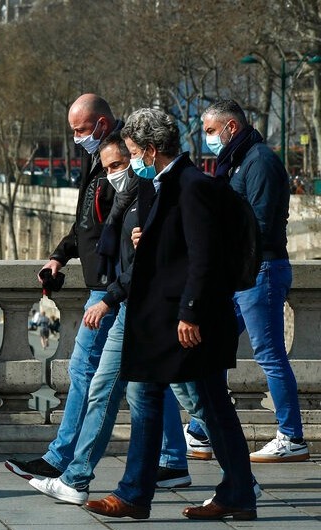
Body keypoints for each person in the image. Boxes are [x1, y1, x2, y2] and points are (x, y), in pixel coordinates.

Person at [84, 108, 256, 521]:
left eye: (131, 151)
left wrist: (191, 314)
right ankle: (145, 494)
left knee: (210, 404)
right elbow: (167, 253)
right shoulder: (160, 185)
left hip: (185, 321)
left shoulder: (191, 186)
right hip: (161, 319)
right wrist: (116, 291)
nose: (130, 159)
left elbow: (204, 258)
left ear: (150, 149)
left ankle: (150, 494)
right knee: (169, 398)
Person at [28, 132, 192, 506]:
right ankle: (84, 478)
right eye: (111, 166)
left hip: (154, 308)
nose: (116, 171)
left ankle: (233, 479)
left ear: (148, 152)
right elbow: (107, 244)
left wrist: (108, 297)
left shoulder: (169, 191)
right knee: (121, 390)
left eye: (125, 160)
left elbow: (166, 259)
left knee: (196, 398)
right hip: (130, 305)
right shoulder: (129, 198)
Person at [5, 93, 122, 481]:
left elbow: (123, 231)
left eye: (81, 130)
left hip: (110, 288)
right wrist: (58, 257)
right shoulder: (97, 157)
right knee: (142, 384)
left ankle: (60, 460)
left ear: (102, 124)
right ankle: (172, 460)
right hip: (105, 285)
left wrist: (110, 292)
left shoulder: (118, 162)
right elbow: (86, 224)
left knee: (84, 370)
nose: (76, 138)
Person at [196, 100, 308, 463]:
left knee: (270, 354)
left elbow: (257, 226)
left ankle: (291, 437)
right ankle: (201, 430)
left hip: (261, 270)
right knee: (212, 345)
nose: (206, 139)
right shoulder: (238, 160)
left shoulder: (258, 161)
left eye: (210, 131)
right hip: (244, 271)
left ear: (230, 128)